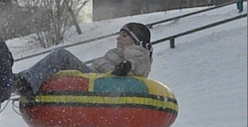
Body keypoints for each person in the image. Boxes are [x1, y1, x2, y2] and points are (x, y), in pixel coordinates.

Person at [13, 22, 153, 98]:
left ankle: (24, 82)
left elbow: (139, 65)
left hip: (98, 81)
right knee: (56, 69)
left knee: (62, 56)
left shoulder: (138, 53)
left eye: (124, 36)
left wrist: (126, 66)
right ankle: (22, 81)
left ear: (136, 40)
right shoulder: (121, 52)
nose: (118, 38)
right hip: (95, 78)